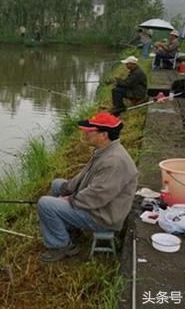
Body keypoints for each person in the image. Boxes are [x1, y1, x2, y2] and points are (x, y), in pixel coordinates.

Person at [37, 112, 138, 262]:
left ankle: (60, 245)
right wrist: (68, 188)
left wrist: (71, 200)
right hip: (97, 205)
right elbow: (84, 175)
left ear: (103, 135)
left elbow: (97, 196)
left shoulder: (114, 161)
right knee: (58, 184)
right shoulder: (105, 150)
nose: (85, 133)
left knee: (45, 203)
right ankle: (67, 228)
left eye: (90, 131)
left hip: (104, 216)